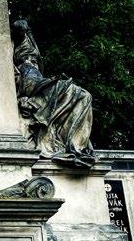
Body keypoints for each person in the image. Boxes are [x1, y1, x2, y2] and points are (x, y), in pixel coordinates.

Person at [12, 20, 95, 168]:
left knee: (84, 96)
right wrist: (21, 28)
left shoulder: (32, 62)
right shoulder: (21, 66)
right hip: (37, 88)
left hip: (41, 85)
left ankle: (75, 148)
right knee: (82, 95)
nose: (32, 59)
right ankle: (72, 148)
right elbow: (25, 85)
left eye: (34, 59)